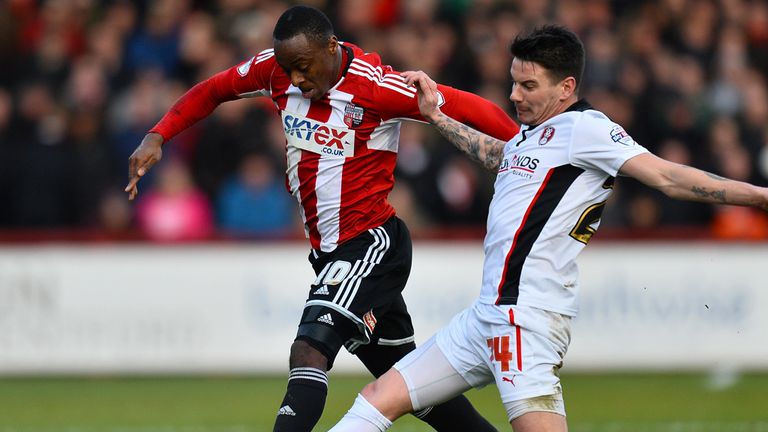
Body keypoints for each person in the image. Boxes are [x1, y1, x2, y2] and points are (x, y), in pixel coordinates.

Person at [328, 25, 768, 432]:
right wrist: (437, 117)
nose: (514, 95)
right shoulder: (533, 134)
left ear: (567, 87)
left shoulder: (586, 130)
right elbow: (502, 157)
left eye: (528, 85)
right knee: (377, 398)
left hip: (526, 320)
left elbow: (668, 177)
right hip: (484, 316)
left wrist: (761, 196)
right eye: (514, 82)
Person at [124, 5, 519, 432]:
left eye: (304, 67)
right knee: (412, 385)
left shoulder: (377, 87)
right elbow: (213, 90)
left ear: (331, 47)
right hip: (329, 253)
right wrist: (158, 133)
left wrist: (526, 150)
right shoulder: (273, 71)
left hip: (371, 243)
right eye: (288, 68)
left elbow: (466, 106)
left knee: (309, 350)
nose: (295, 78)